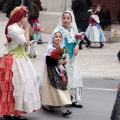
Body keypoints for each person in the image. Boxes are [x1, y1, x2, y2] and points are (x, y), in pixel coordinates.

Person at [0, 6, 41, 120]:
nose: (27, 18)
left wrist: (27, 33)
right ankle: (9, 112)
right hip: (14, 60)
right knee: (14, 86)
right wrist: (27, 28)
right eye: (26, 16)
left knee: (21, 86)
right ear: (21, 17)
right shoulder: (13, 28)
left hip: (21, 58)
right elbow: (24, 42)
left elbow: (24, 42)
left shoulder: (18, 27)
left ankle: (16, 112)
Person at [53, 11, 83, 108]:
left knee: (73, 76)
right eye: (64, 18)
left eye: (68, 18)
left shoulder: (73, 30)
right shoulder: (59, 30)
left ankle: (73, 99)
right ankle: (62, 99)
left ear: (71, 20)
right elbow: (56, 43)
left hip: (72, 58)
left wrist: (77, 46)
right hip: (63, 58)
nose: (66, 20)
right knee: (63, 78)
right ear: (61, 19)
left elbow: (76, 41)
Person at [40, 30, 72, 117]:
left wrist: (64, 61)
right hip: (52, 71)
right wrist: (57, 61)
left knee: (57, 88)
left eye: (60, 37)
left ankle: (47, 104)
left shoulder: (63, 49)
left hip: (60, 71)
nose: (58, 38)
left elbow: (65, 59)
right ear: (52, 39)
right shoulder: (50, 49)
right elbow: (48, 60)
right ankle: (63, 110)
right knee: (58, 88)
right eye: (56, 37)